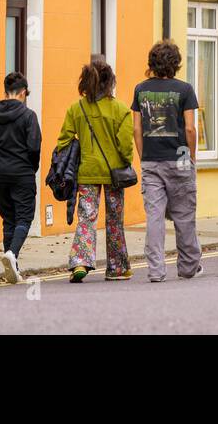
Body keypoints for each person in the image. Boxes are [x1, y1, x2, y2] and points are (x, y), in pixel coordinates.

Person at [56, 58, 134, 282]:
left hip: (87, 172)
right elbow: (126, 146)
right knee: (114, 220)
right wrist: (124, 161)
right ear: (110, 82)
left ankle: (80, 261)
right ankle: (117, 268)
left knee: (86, 218)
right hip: (115, 174)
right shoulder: (120, 110)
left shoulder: (76, 109)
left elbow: (63, 141)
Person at [131, 39, 202, 282]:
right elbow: (190, 129)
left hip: (151, 160)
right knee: (184, 216)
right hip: (180, 159)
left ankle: (156, 270)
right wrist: (191, 157)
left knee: (154, 217)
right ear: (176, 64)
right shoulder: (185, 90)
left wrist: (144, 157)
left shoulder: (140, 89)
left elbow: (136, 129)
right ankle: (188, 267)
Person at [0, 71, 41, 284]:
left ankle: (12, 268)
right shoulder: (28, 116)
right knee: (24, 218)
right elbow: (34, 148)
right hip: (22, 173)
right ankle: (12, 254)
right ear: (23, 93)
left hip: (1, 173)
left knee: (9, 219)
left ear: (6, 92)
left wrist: (0, 159)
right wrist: (31, 167)